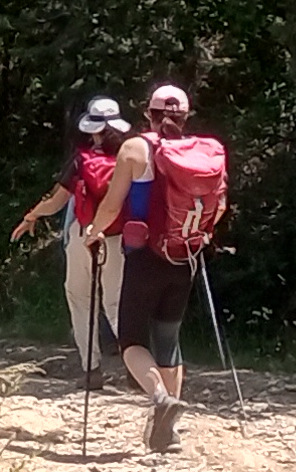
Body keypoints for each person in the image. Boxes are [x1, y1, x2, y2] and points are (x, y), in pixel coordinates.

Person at [93, 80, 231, 452]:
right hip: (184, 257)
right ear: (185, 116)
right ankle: (168, 432)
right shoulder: (207, 152)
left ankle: (160, 398)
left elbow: (111, 205)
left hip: (144, 257)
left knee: (131, 341)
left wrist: (93, 232)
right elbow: (218, 209)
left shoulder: (136, 148)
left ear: (147, 114)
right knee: (169, 339)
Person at [9, 98, 131, 377]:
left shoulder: (81, 160)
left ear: (93, 128)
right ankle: (138, 366)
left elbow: (56, 200)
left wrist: (31, 217)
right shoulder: (129, 158)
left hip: (83, 235)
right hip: (117, 237)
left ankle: (91, 368)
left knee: (79, 298)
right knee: (115, 304)